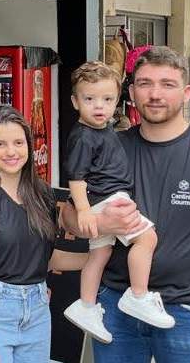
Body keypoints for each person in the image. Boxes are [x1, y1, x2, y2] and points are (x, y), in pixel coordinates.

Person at [62, 47, 190, 363]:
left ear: (186, 93)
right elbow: (68, 215)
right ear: (131, 93)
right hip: (115, 308)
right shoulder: (109, 145)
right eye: (145, 83)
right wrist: (101, 223)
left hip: (187, 313)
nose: (155, 94)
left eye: (167, 84)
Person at [0, 106, 86, 363]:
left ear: (29, 146)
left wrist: (97, 259)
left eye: (18, 142)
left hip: (36, 310)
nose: (11, 152)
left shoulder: (43, 194)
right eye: (0, 144)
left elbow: (45, 259)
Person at [62, 61, 174, 345]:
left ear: (117, 101)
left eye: (107, 99)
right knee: (147, 238)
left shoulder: (103, 129)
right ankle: (138, 295)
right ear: (75, 102)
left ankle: (86, 306)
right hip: (109, 198)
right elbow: (76, 177)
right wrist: (84, 210)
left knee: (99, 255)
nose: (99, 106)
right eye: (89, 99)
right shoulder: (83, 136)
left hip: (103, 200)